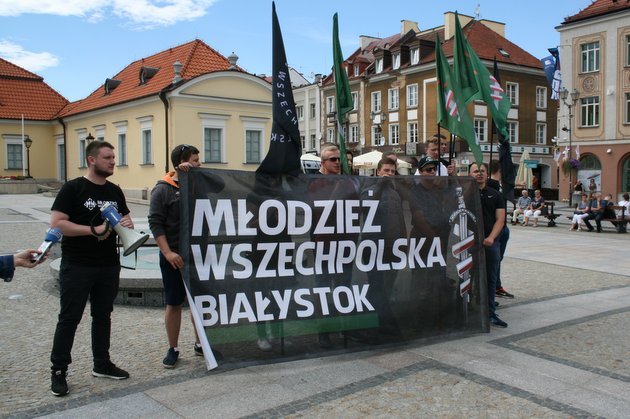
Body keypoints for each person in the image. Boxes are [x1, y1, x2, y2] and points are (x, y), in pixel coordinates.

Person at [49, 141, 131, 397]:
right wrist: (91, 230)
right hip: (77, 265)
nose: (112, 161)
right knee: (69, 318)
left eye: (114, 157)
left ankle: (102, 364)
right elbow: (57, 224)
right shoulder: (73, 188)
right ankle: (59, 370)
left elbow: (123, 221)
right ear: (92, 160)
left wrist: (126, 223)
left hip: (108, 265)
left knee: (103, 315)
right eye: (107, 157)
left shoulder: (115, 191)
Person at [148, 144, 210, 368]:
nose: (199, 163)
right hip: (174, 256)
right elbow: (155, 224)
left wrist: (192, 175)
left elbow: (222, 185)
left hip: (198, 254)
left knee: (199, 302)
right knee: (174, 303)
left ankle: (200, 343)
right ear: (182, 163)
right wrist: (167, 252)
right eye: (194, 160)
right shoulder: (163, 189)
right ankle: (173, 347)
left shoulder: (197, 185)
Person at [469, 162, 507, 328]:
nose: (479, 174)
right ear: (470, 174)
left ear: (486, 174)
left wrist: (491, 237)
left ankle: (490, 312)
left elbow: (500, 219)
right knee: (470, 277)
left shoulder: (495, 194)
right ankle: (470, 310)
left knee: (490, 278)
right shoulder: (464, 194)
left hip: (490, 243)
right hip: (470, 243)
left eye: (482, 171)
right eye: (476, 171)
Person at [488, 160, 514, 300]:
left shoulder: (499, 185)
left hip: (502, 228)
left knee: (497, 260)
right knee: (495, 261)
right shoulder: (492, 186)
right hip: (497, 230)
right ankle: (494, 288)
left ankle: (496, 286)